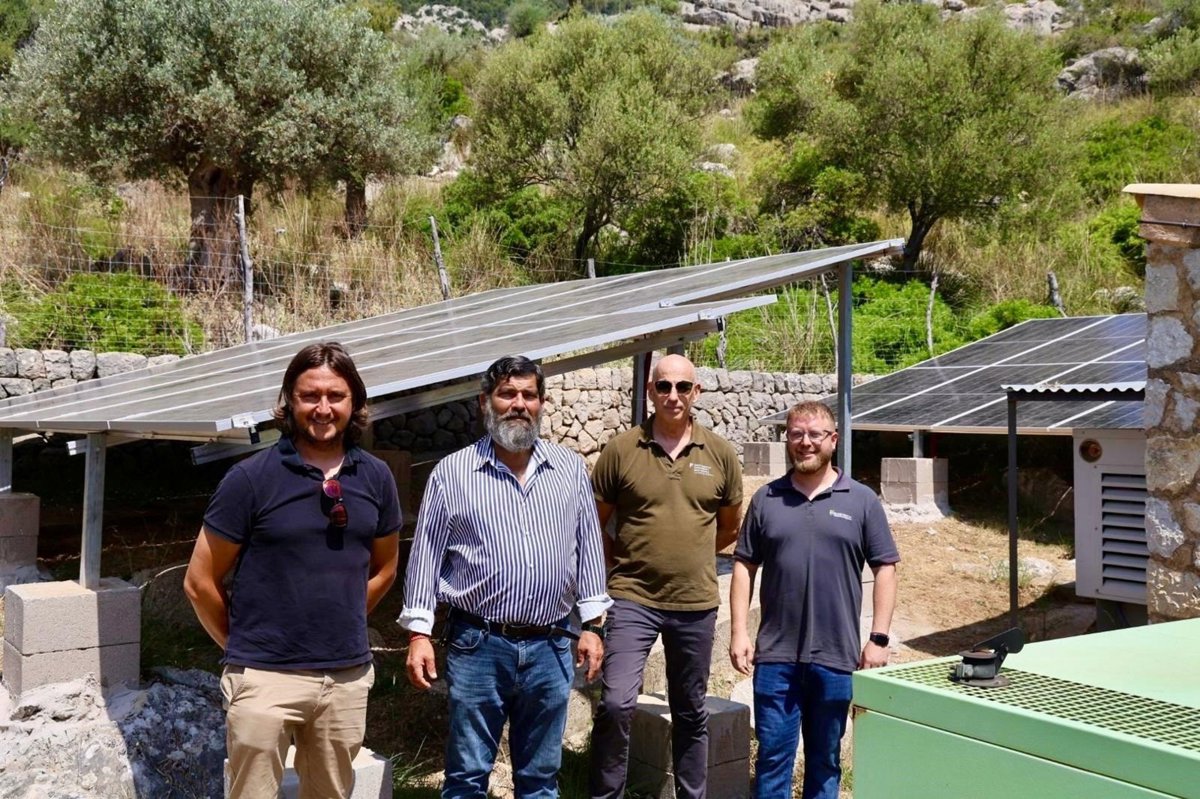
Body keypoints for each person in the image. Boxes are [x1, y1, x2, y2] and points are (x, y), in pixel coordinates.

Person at [184, 341, 402, 799]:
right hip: (265, 679)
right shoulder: (251, 478)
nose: (323, 408)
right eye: (309, 396)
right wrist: (244, 648)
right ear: (288, 400)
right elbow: (199, 582)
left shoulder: (376, 477)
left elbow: (385, 567)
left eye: (336, 396)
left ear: (355, 403)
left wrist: (341, 620)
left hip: (344, 679)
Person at [399, 355, 612, 799]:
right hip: (478, 645)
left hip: (552, 645)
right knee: (467, 776)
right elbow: (425, 556)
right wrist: (419, 633)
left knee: (540, 779)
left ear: (541, 403)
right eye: (507, 394)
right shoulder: (453, 473)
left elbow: (589, 547)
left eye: (529, 395)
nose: (519, 404)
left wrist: (592, 626)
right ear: (485, 402)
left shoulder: (569, 469)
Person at [589, 353, 743, 799]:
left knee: (690, 710)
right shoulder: (622, 450)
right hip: (632, 598)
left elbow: (729, 527)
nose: (673, 395)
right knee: (616, 703)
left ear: (696, 392)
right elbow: (594, 523)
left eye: (682, 387)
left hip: (695, 602)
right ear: (649, 392)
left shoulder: (720, 454)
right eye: (664, 386)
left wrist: (688, 555)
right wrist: (618, 564)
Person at [729, 401, 899, 799]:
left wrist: (878, 638)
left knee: (825, 762)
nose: (805, 443)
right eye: (796, 434)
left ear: (833, 440)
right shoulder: (767, 498)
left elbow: (886, 569)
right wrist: (738, 632)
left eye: (815, 434)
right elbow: (744, 566)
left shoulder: (861, 500)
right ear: (787, 439)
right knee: (773, 759)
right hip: (776, 657)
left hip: (836, 657)